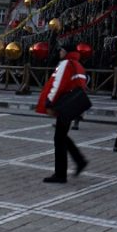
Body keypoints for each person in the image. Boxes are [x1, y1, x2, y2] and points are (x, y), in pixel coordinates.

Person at [36, 39, 88, 183]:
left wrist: (49, 101)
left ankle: (60, 174)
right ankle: (79, 160)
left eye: (61, 50)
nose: (59, 52)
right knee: (62, 136)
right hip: (73, 105)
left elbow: (58, 84)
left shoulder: (66, 64)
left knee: (59, 138)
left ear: (66, 51)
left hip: (64, 105)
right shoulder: (78, 64)